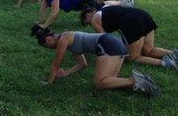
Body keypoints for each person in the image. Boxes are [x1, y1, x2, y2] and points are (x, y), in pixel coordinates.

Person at [31, 25, 160, 96]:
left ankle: (137, 80)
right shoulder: (71, 42)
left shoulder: (64, 40)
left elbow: (56, 64)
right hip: (114, 43)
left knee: (100, 83)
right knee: (110, 84)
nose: (49, 48)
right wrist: (66, 73)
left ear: (48, 40)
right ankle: (140, 84)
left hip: (107, 44)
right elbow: (83, 64)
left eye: (46, 46)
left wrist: (49, 83)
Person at [81, 5, 178, 69]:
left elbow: (105, 38)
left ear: (88, 15)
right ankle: (175, 54)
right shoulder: (106, 7)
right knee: (148, 50)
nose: (90, 25)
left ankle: (169, 64)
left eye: (87, 22)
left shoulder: (94, 20)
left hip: (131, 22)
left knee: (133, 57)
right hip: (143, 15)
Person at [26, 0, 124, 29]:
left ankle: (121, 4)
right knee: (86, 21)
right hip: (79, 0)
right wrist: (41, 21)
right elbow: (43, 8)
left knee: (100, 10)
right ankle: (121, 3)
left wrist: (45, 25)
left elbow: (55, 12)